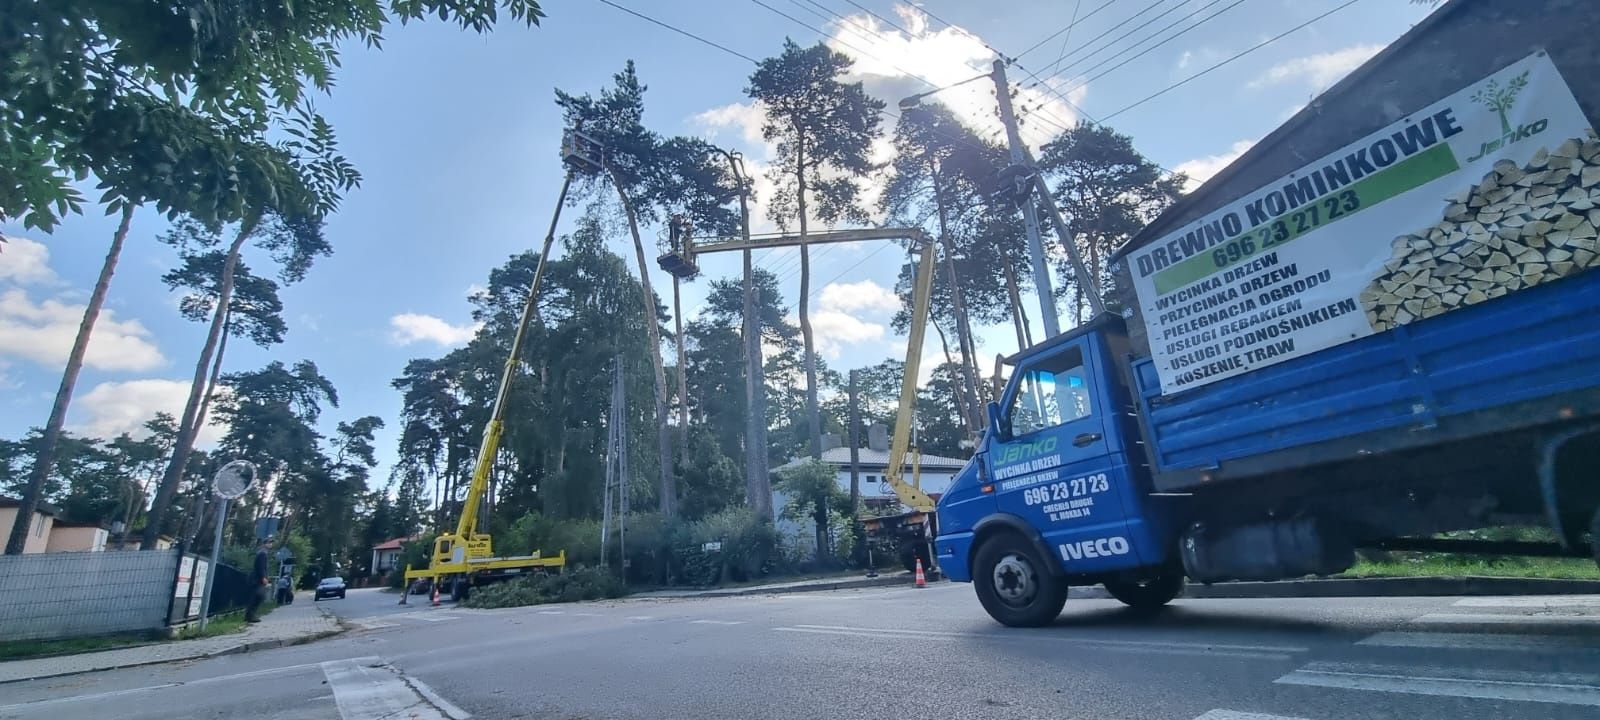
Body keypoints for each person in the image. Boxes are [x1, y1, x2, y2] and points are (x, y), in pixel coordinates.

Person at [246, 537, 272, 623]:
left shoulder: (263, 553)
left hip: (257, 579)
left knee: (257, 597)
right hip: (257, 579)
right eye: (269, 542)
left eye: (271, 542)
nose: (270, 544)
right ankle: (250, 616)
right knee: (258, 597)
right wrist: (263, 577)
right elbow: (261, 567)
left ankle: (250, 615)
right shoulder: (262, 554)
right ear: (264, 544)